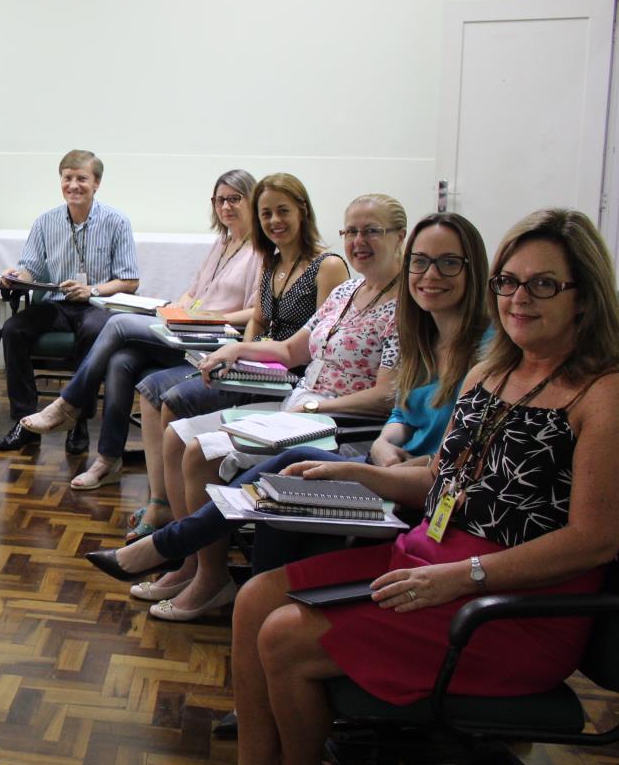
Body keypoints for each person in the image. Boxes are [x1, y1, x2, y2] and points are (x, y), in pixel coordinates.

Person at [181, 209, 619, 765]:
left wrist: (462, 576)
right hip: (426, 562)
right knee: (254, 598)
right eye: (508, 282)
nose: (517, 299)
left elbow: (595, 538)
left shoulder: (605, 394)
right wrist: (354, 474)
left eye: (542, 285)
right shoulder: (492, 373)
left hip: (508, 608)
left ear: (583, 295)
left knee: (282, 634)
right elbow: (443, 486)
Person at [89, 211, 490, 603]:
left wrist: (328, 414)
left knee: (280, 461)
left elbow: (434, 438)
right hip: (355, 436)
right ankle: (195, 566)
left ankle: (177, 552)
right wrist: (387, 443)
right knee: (185, 430)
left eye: (448, 263)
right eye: (422, 263)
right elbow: (400, 410)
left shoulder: (469, 346)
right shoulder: (416, 330)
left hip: (369, 444)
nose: (431, 275)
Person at [112, 194, 405, 621]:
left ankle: (211, 579)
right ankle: (193, 563)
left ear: (400, 236)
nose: (359, 241)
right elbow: (289, 349)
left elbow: (386, 395)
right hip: (298, 408)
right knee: (177, 434)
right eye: (352, 231)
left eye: (372, 231)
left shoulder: (404, 309)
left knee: (199, 451)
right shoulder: (348, 289)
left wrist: (317, 406)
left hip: (335, 423)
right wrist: (236, 348)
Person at [122, 173, 348, 543]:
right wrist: (239, 362)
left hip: (291, 377)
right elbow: (258, 318)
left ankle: (182, 528)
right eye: (266, 214)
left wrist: (247, 355)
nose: (274, 221)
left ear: (303, 211)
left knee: (175, 399)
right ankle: (172, 513)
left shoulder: (327, 265)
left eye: (282, 211)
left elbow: (320, 343)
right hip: (256, 368)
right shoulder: (271, 261)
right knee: (157, 389)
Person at [21, 169, 261, 489]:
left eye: (235, 199)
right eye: (220, 200)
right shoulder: (223, 242)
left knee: (118, 322)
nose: (226, 207)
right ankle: (108, 461)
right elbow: (193, 292)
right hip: (189, 328)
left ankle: (68, 405)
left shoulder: (261, 249)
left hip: (216, 339)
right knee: (121, 360)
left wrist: (210, 316)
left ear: (252, 200)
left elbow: (257, 312)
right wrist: (174, 310)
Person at [0, 150, 138, 453]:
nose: (74, 185)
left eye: (81, 178)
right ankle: (25, 421)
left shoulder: (117, 221)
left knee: (91, 330)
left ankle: (77, 419)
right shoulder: (45, 221)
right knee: (13, 329)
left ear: (96, 183)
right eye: (68, 178)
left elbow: (129, 280)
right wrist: (14, 275)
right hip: (58, 304)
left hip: (98, 305)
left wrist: (93, 291)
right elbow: (30, 267)